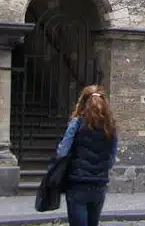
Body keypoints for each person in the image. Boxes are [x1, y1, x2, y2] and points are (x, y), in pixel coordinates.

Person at [56, 85, 118, 226]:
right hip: (99, 184)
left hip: (77, 183)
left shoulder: (77, 124)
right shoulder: (110, 127)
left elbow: (62, 152)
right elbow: (111, 159)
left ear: (83, 103)